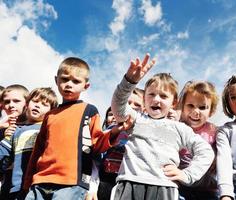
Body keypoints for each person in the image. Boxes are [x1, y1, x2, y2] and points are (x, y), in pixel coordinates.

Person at [110, 53, 214, 200]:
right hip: (129, 183)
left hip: (164, 188)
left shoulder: (180, 129)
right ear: (144, 98)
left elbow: (205, 152)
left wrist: (188, 174)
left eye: (164, 96)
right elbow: (118, 108)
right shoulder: (136, 120)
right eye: (151, 94)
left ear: (174, 103)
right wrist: (129, 82)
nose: (156, 99)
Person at [23, 57, 126, 200]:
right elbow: (38, 150)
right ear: (56, 80)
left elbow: (97, 143)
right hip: (40, 180)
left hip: (71, 182)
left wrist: (114, 132)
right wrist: (28, 182)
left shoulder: (89, 110)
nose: (69, 85)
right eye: (64, 79)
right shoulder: (50, 115)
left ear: (86, 86)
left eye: (76, 81)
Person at [0, 87, 58, 200]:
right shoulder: (15, 130)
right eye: (35, 101)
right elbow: (2, 153)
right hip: (16, 187)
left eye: (44, 104)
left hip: (40, 185)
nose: (37, 105)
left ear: (51, 111)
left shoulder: (48, 129)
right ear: (27, 104)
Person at [96, 88, 144, 200]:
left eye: (137, 104)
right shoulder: (112, 128)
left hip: (130, 179)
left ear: (144, 109)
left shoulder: (143, 131)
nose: (132, 106)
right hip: (106, 178)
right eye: (128, 103)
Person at [177, 80, 219, 200]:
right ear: (182, 106)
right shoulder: (177, 127)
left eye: (202, 107)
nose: (196, 112)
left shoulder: (214, 131)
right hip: (179, 185)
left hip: (205, 188)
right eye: (190, 106)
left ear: (211, 111)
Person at [0, 84, 29, 198]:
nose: (11, 105)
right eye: (7, 102)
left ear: (27, 103)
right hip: (7, 186)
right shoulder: (3, 128)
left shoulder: (37, 126)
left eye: (16, 101)